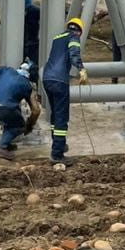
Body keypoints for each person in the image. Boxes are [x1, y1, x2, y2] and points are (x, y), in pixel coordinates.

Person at [42, 16, 88, 165]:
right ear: (79, 31)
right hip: (60, 80)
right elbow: (74, 53)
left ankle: (59, 144)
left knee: (55, 114)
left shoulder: (57, 37)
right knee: (62, 116)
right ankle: (57, 155)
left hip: (47, 78)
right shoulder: (74, 37)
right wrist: (81, 69)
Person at [0, 59, 40, 160]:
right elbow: (36, 110)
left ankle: (6, 143)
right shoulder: (27, 86)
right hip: (5, 107)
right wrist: (29, 125)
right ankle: (1, 148)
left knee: (10, 121)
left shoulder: (6, 71)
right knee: (18, 124)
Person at [24, 0, 40, 82]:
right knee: (35, 64)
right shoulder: (35, 10)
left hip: (26, 43)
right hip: (32, 42)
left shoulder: (34, 11)